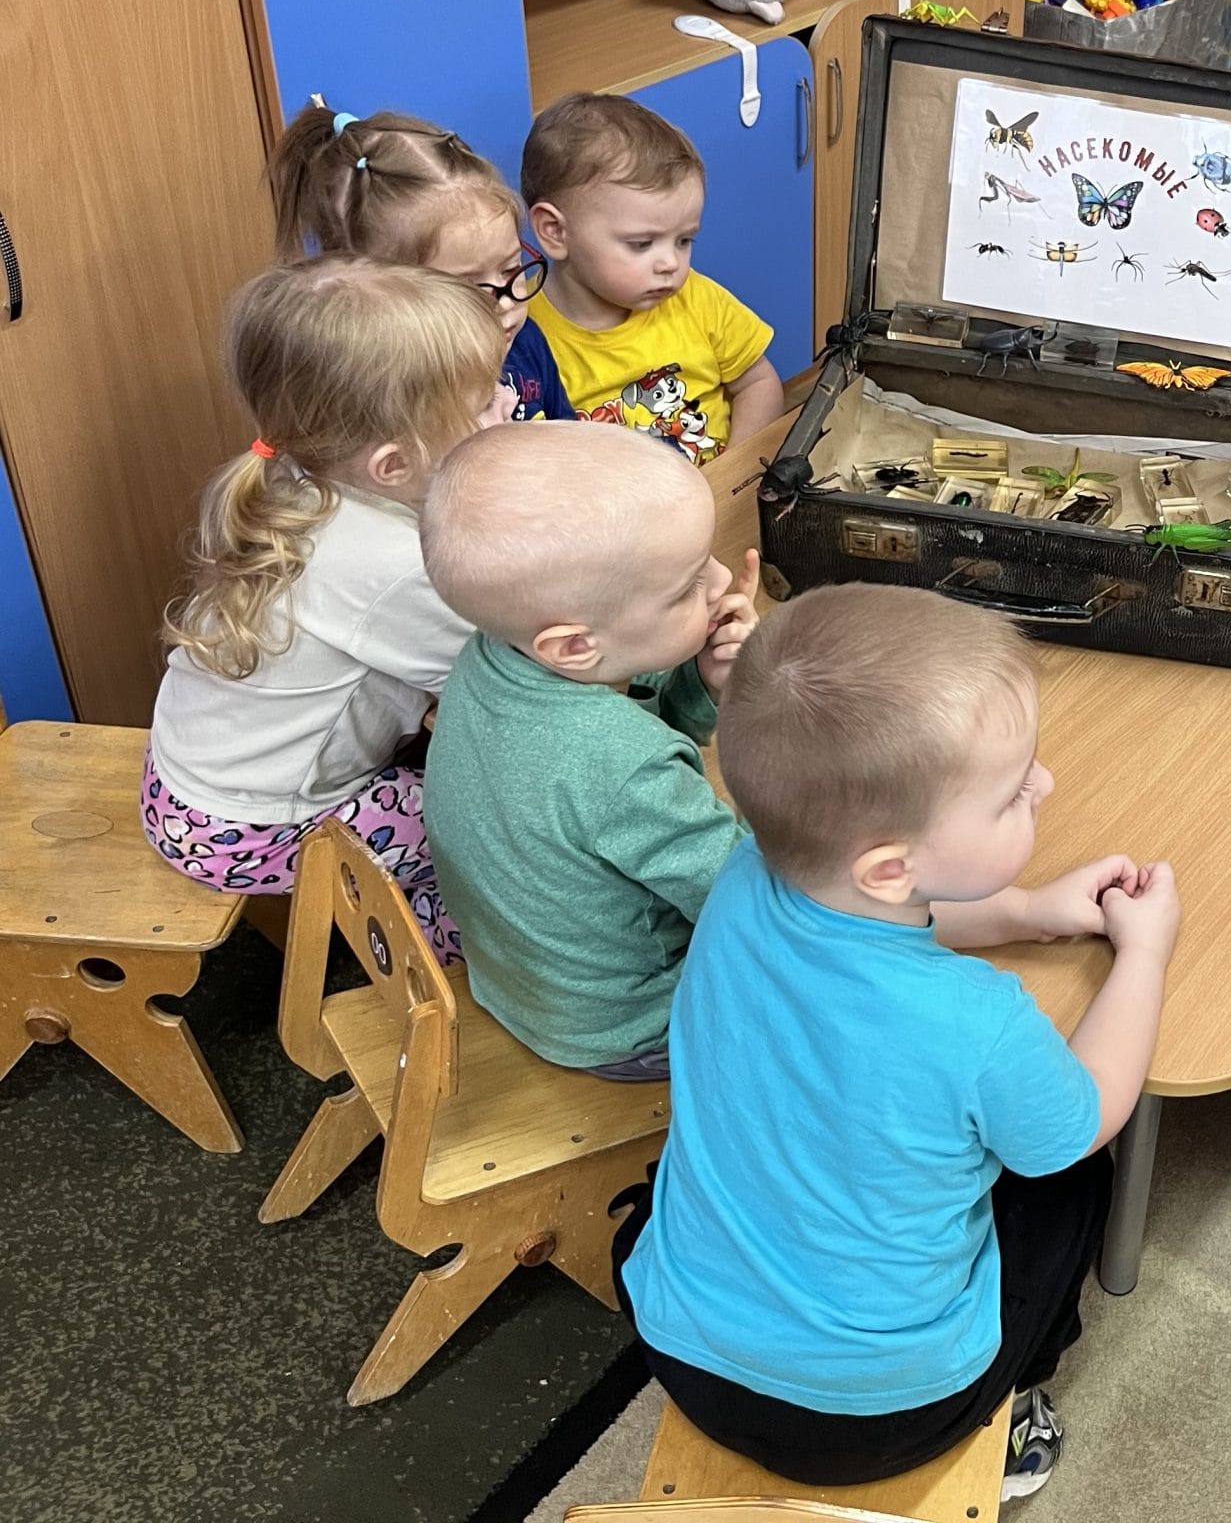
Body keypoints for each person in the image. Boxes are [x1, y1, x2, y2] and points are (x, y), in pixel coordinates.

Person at [615, 583, 1181, 1500]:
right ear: (890, 866)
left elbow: (882, 912)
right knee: (1071, 1184)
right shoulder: (979, 1021)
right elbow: (1084, 1119)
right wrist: (1144, 955)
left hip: (680, 1348)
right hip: (882, 1417)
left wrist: (1029, 912)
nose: (1044, 784)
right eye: (1012, 794)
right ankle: (1013, 1414)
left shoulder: (748, 870)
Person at [142, 258, 510, 962]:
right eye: (484, 401)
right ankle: (450, 951)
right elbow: (509, 672)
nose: (509, 403)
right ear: (393, 465)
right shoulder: (392, 568)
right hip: (259, 828)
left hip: (189, 794)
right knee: (492, 825)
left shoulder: (299, 476)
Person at [417, 421, 758, 1080]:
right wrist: (757, 727)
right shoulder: (628, 769)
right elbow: (750, 905)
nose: (721, 581)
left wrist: (701, 680)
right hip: (630, 1026)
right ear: (574, 646)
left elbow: (604, 751)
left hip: (523, 982)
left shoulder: (491, 654)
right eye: (688, 586)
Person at [271, 98, 572, 423]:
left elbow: (571, 437)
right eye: (472, 290)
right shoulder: (381, 401)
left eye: (511, 268)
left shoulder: (525, 343)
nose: (506, 302)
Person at [521, 91, 783, 464]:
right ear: (555, 232)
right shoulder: (522, 335)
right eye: (642, 244)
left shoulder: (696, 296)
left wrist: (735, 470)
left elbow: (758, 382)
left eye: (684, 240)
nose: (671, 263)